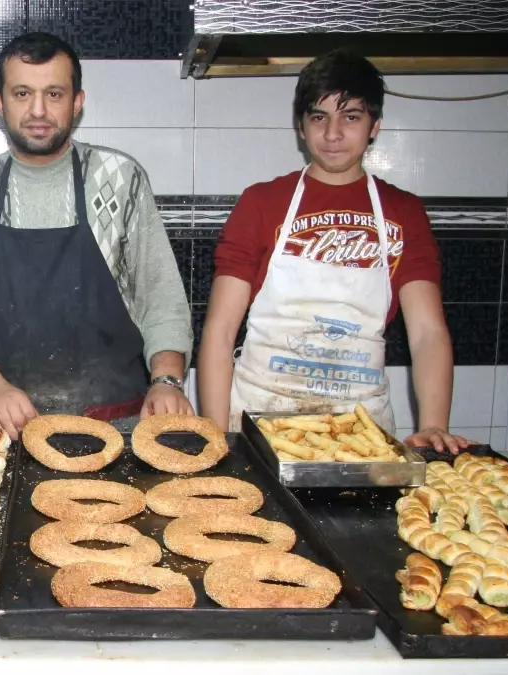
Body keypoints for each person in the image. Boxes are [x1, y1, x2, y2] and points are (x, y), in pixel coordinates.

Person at [0, 32, 193, 440]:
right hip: (0, 431)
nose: (38, 110)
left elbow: (161, 295)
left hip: (117, 426)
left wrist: (167, 380)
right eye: (23, 93)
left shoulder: (121, 178)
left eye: (55, 94)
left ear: (77, 103)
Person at [197, 48, 470, 453]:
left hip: (361, 433)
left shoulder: (404, 212)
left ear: (375, 126)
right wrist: (219, 438)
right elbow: (220, 331)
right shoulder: (261, 202)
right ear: (301, 127)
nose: (333, 134)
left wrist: (433, 424)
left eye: (351, 117)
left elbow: (428, 333)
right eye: (319, 117)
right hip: (260, 421)